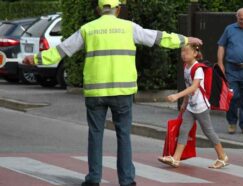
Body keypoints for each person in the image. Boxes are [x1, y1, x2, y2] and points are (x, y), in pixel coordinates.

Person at [23, 0, 203, 185]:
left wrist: (36, 58)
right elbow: (158, 38)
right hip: (122, 92)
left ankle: (93, 179)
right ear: (118, 9)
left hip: (96, 93)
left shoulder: (88, 29)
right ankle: (126, 180)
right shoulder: (129, 28)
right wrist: (185, 40)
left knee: (95, 133)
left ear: (99, 9)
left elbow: (63, 50)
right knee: (123, 134)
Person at [158, 44, 228, 169]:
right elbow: (188, 86)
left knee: (208, 132)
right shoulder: (186, 67)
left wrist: (177, 96)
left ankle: (222, 157)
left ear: (195, 53)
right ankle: (176, 158)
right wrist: (185, 103)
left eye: (187, 51)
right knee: (184, 130)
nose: (183, 54)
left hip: (201, 106)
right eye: (182, 51)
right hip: (191, 106)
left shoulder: (198, 69)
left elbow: (194, 86)